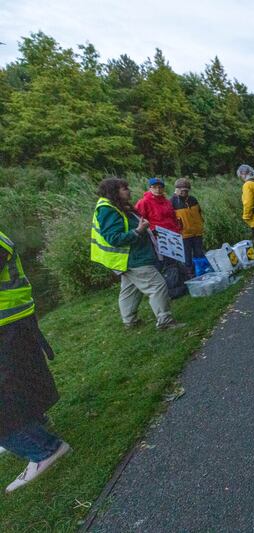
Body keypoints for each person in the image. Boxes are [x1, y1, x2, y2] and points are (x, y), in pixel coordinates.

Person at [0, 229, 71, 493]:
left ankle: (43, 449)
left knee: (7, 390)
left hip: (7, 324)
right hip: (12, 321)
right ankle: (31, 427)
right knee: (20, 379)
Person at [91, 178, 182, 329]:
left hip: (129, 257)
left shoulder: (117, 206)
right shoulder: (108, 209)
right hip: (131, 257)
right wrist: (138, 231)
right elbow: (113, 238)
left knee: (130, 290)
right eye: (124, 189)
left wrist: (148, 232)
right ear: (114, 192)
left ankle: (129, 321)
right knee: (157, 285)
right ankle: (165, 321)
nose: (129, 191)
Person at [170, 177, 205, 272]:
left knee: (199, 254)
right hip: (183, 235)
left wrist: (201, 224)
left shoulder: (193, 199)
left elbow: (199, 213)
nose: (184, 192)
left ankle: (202, 272)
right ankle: (190, 274)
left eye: (186, 190)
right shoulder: (172, 201)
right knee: (187, 257)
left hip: (197, 232)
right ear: (176, 189)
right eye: (182, 190)